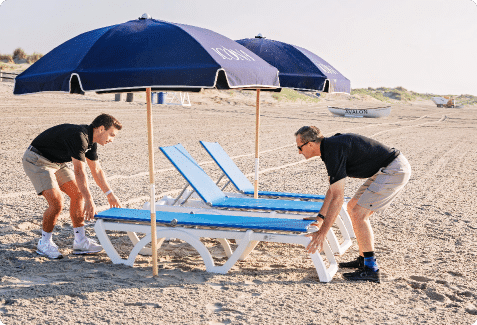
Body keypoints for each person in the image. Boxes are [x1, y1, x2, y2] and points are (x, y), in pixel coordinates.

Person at [295, 126, 411, 283]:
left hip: (394, 169)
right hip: (386, 168)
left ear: (309, 144)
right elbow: (333, 189)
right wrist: (320, 217)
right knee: (353, 207)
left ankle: (371, 268)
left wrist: (322, 233)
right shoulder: (330, 148)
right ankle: (363, 260)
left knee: (358, 214)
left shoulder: (333, 151)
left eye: (299, 148)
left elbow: (337, 198)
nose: (299, 152)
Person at [22, 113, 123, 259]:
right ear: (101, 129)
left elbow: (96, 170)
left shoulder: (91, 142)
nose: (112, 140)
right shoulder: (79, 136)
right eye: (111, 134)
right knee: (57, 203)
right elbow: (79, 171)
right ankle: (44, 243)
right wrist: (89, 199)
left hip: (56, 162)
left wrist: (110, 194)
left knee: (78, 194)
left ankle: (80, 241)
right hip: (37, 160)